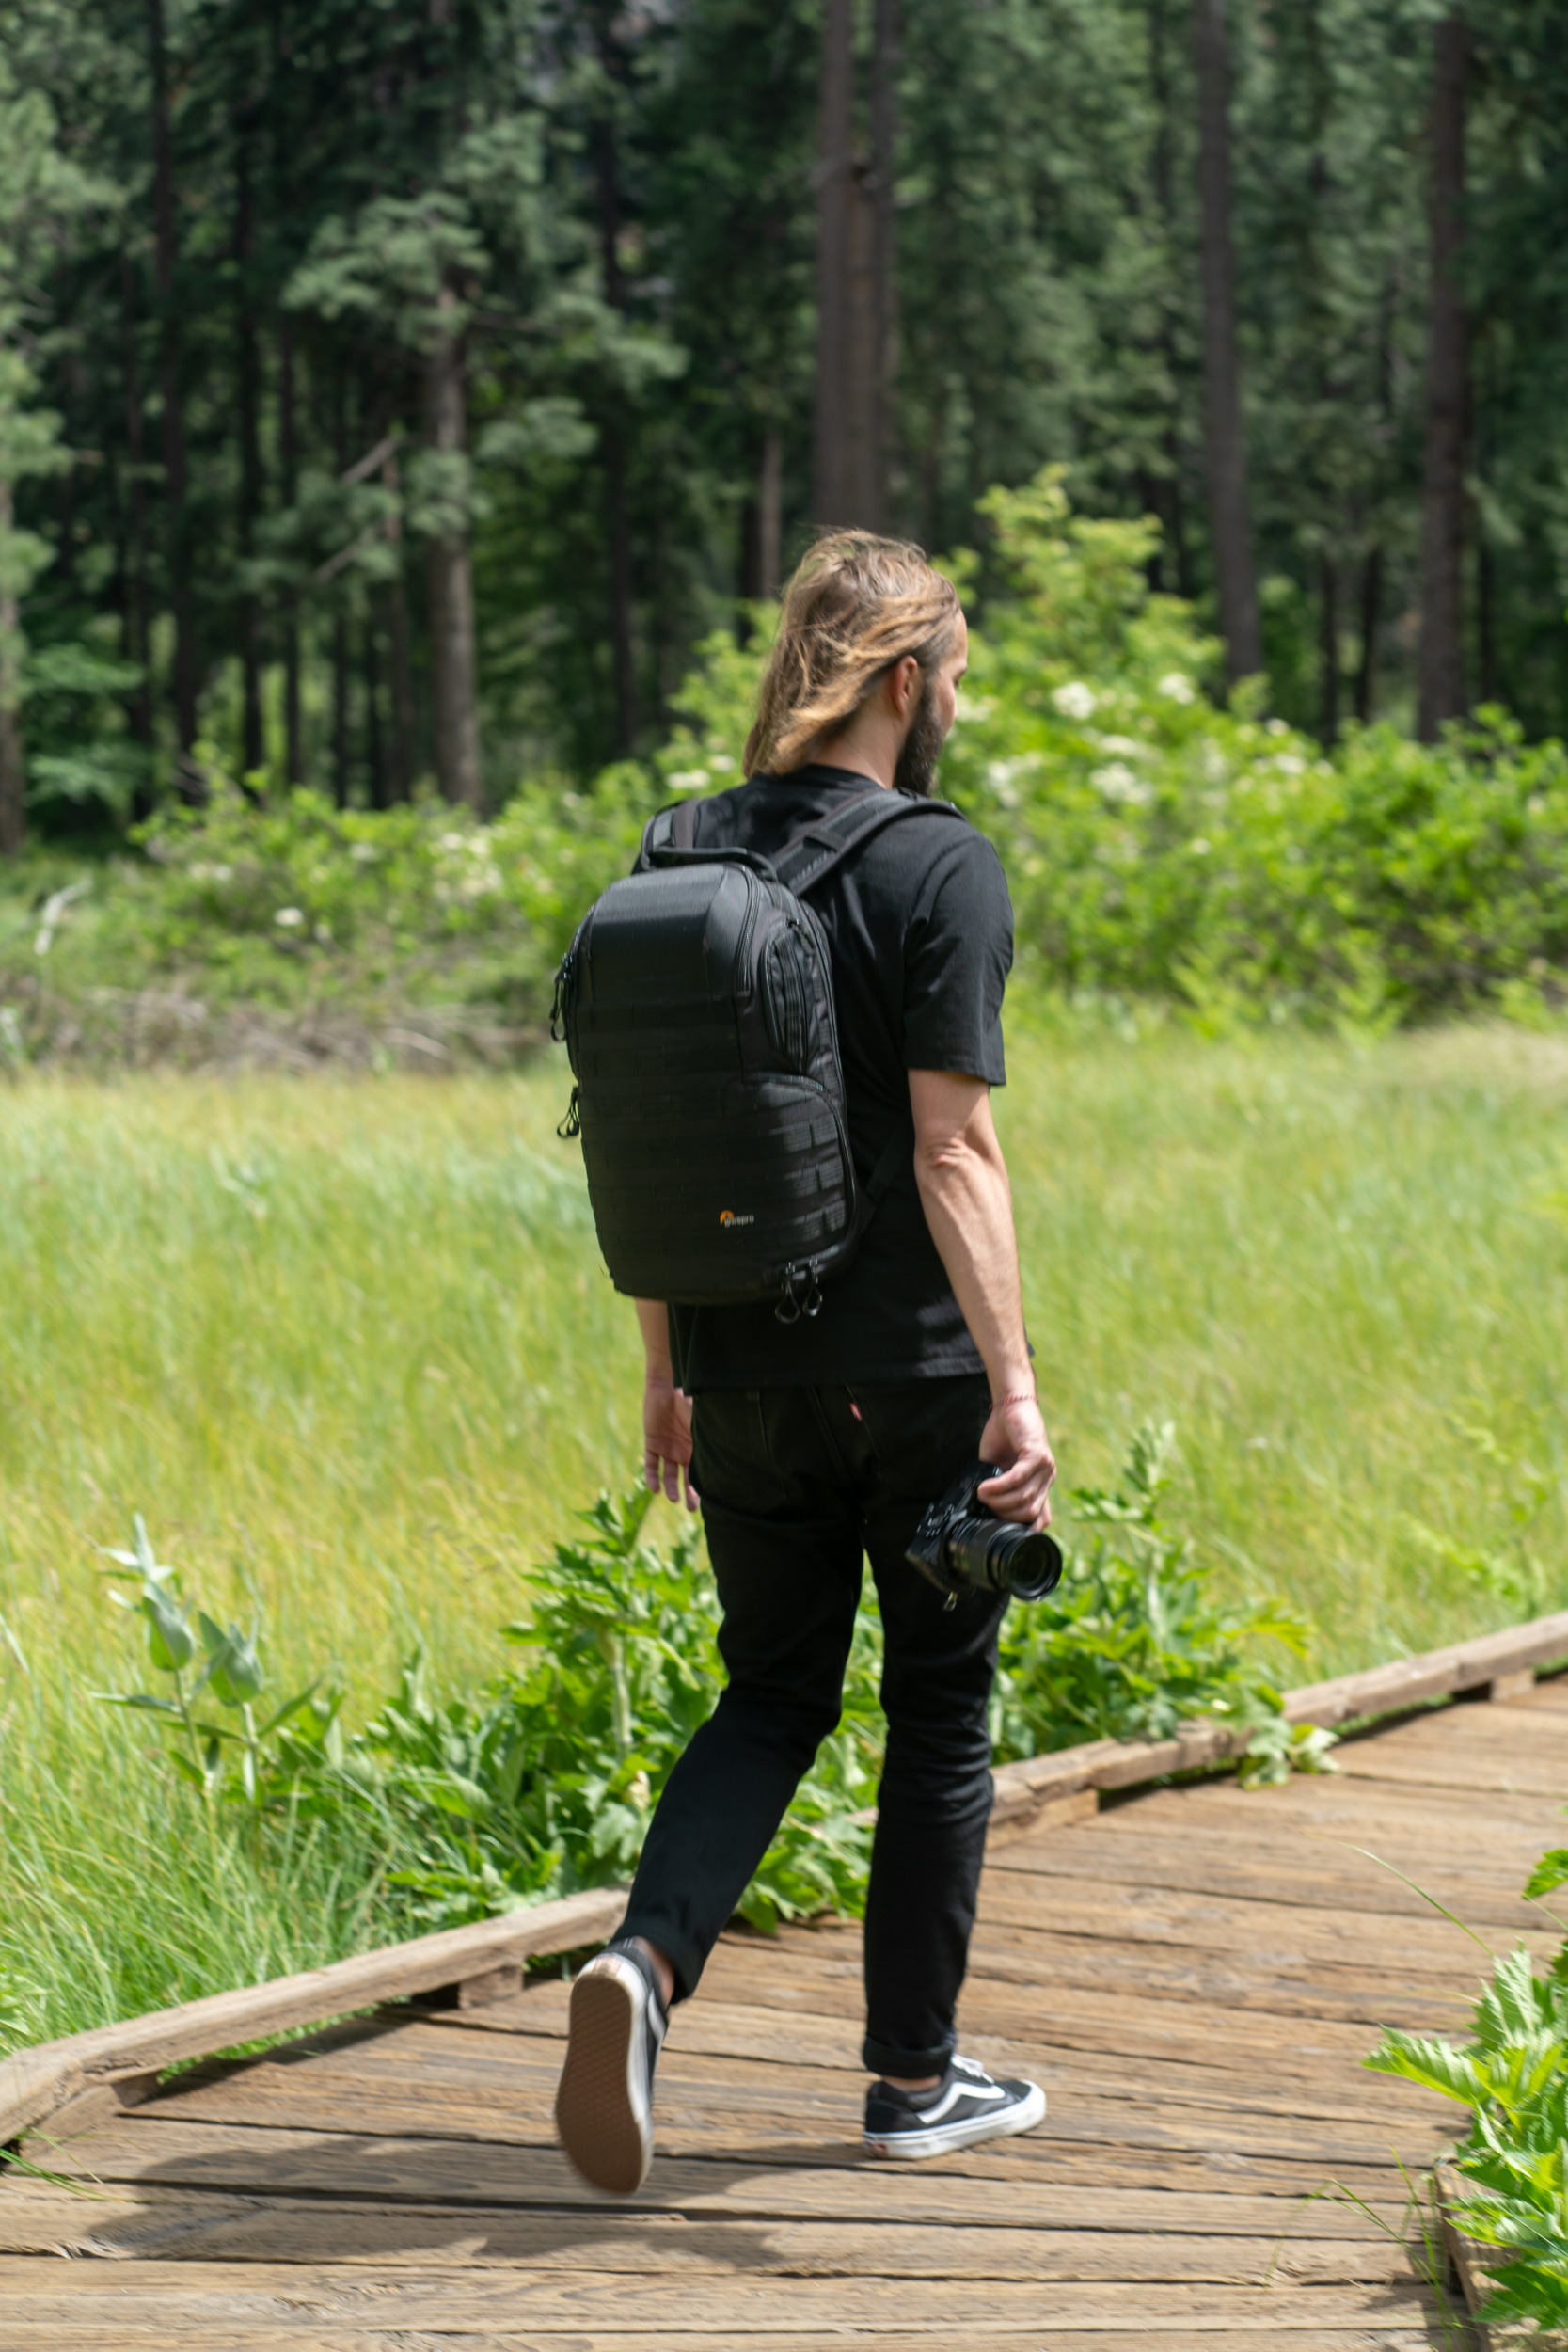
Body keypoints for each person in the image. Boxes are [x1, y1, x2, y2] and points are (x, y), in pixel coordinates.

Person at [553, 532, 1057, 2195]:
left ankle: (645, 1963)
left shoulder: (675, 852)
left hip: (735, 1375)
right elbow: (954, 1151)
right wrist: (1018, 1391)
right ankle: (914, 2081)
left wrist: (666, 1368)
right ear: (908, 684)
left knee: (770, 1694)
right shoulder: (941, 863)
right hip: (908, 1379)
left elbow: (640, 1141)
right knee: (937, 1715)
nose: (955, 705)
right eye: (957, 678)